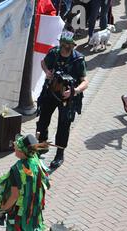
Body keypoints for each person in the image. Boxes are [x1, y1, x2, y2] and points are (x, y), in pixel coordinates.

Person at [36, 29, 88, 169]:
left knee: (63, 126)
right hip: (50, 92)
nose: (63, 49)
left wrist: (74, 91)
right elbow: (43, 62)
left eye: (66, 46)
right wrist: (47, 72)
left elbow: (85, 81)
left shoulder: (78, 60)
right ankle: (42, 144)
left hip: (67, 97)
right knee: (43, 119)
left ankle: (59, 153)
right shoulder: (54, 53)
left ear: (71, 46)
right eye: (62, 45)